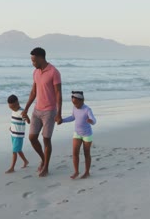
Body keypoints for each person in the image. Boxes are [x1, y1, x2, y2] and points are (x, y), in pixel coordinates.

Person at [22, 47, 62, 177]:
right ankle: (44, 159)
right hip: (37, 110)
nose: (32, 63)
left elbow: (58, 93)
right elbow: (34, 92)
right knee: (32, 138)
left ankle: (46, 167)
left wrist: (59, 113)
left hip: (49, 112)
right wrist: (26, 108)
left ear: (40, 58)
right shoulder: (35, 72)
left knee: (46, 139)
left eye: (33, 60)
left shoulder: (54, 72)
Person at [59, 91, 96, 179]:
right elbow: (72, 117)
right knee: (75, 153)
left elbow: (94, 120)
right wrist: (62, 120)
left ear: (82, 100)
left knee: (86, 154)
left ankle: (87, 172)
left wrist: (91, 121)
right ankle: (76, 171)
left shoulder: (87, 109)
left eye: (76, 103)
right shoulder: (75, 108)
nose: (75, 105)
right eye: (73, 103)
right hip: (77, 133)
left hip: (87, 134)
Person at [5, 94, 29, 173]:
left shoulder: (21, 112)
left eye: (12, 107)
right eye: (10, 107)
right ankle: (25, 161)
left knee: (14, 151)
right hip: (13, 133)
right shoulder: (13, 111)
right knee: (18, 150)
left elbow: (28, 121)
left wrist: (26, 116)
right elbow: (14, 120)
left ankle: (12, 168)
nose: (12, 109)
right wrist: (11, 127)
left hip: (18, 135)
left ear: (17, 103)